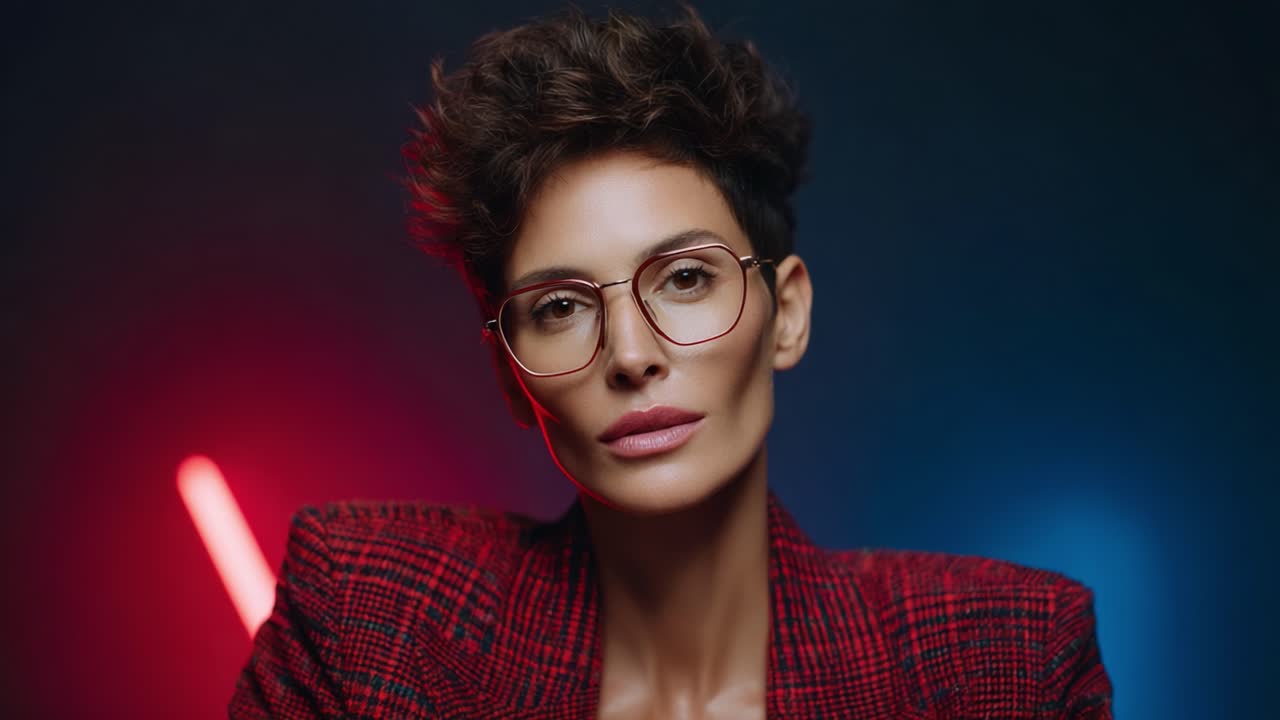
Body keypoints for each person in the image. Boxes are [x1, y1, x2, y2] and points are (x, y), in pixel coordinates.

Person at [229, 4, 1113, 718]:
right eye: (562, 306)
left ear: (787, 316)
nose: (632, 355)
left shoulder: (1006, 657)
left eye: (687, 278)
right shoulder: (372, 616)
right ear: (508, 372)